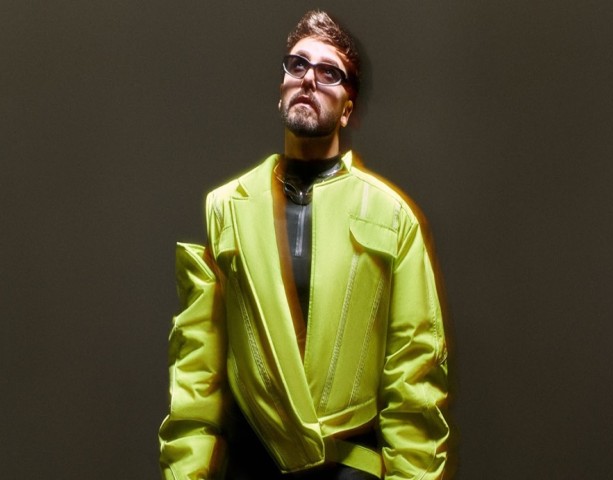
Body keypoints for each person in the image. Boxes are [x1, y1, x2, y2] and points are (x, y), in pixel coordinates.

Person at [159, 9, 450, 480]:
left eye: (328, 71)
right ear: (282, 87)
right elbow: (196, 375)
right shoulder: (226, 209)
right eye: (297, 64)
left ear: (348, 107)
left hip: (351, 470)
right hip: (252, 467)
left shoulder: (391, 217)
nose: (308, 79)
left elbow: (414, 378)